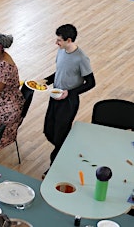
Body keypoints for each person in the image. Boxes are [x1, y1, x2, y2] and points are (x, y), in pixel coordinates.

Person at [43, 24, 95, 175]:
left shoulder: (81, 58)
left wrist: (70, 93)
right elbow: (60, 71)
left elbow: (91, 82)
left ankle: (54, 166)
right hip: (55, 96)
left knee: (60, 134)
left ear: (69, 40)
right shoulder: (61, 51)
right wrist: (45, 80)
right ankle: (67, 151)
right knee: (49, 130)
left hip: (68, 101)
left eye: (59, 40)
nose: (56, 43)